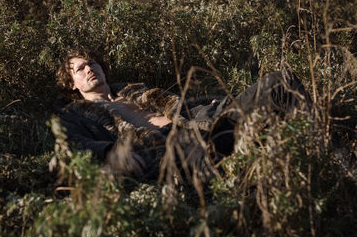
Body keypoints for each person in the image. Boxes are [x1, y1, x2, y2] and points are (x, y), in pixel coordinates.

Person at [56, 49, 313, 182]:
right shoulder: (76, 113)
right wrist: (114, 151)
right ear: (71, 84)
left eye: (93, 63)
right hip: (170, 149)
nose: (90, 69)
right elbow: (78, 145)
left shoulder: (132, 90)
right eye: (81, 68)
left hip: (206, 124)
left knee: (281, 81)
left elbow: (180, 107)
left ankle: (322, 146)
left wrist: (210, 105)